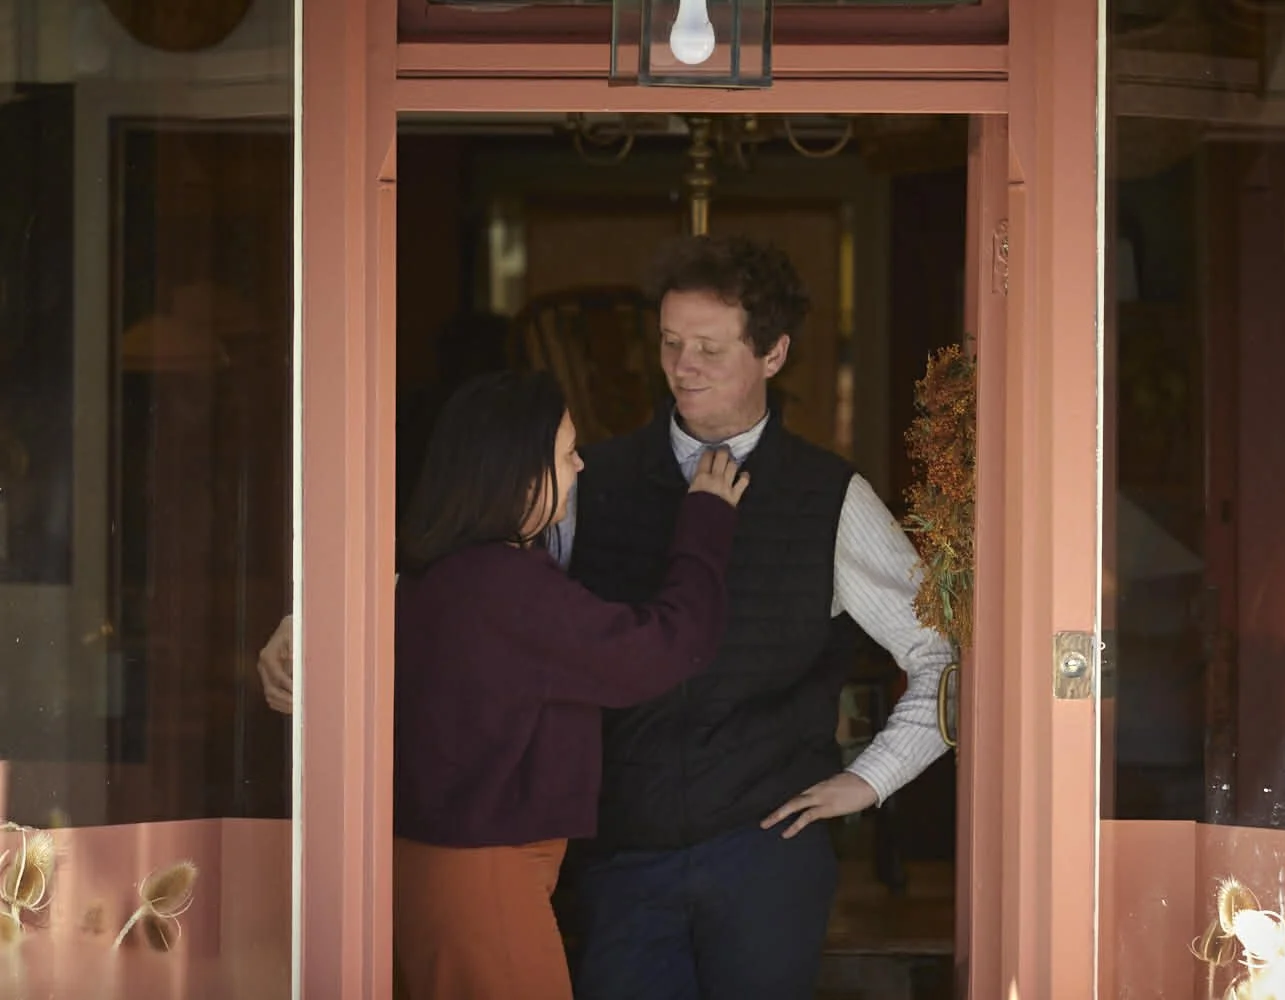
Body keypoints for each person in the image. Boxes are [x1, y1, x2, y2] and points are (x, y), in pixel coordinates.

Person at [258, 235, 955, 999]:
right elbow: (469, 589)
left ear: (775, 354)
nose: (683, 366)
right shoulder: (585, 475)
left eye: (711, 350)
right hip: (617, 858)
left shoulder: (833, 495)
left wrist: (871, 780)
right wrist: (319, 627)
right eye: (670, 343)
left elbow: (939, 655)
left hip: (767, 860)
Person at [388, 369, 749, 999]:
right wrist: (706, 522)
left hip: (425, 869)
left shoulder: (428, 577)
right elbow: (661, 651)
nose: (581, 466)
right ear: (520, 473)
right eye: (566, 453)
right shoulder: (507, 587)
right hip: (483, 877)